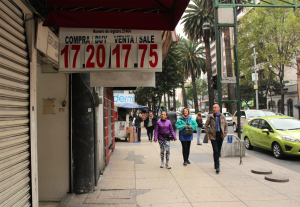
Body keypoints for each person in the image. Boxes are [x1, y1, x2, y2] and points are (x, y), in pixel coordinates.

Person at [204, 104, 228, 174]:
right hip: (213, 137)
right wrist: (207, 134)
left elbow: (226, 126)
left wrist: (224, 134)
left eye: (215, 107)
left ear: (219, 109)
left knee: (218, 151)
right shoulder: (210, 116)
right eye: (213, 107)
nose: (214, 109)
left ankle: (216, 163)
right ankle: (217, 166)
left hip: (220, 136)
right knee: (216, 151)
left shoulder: (222, 116)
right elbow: (206, 126)